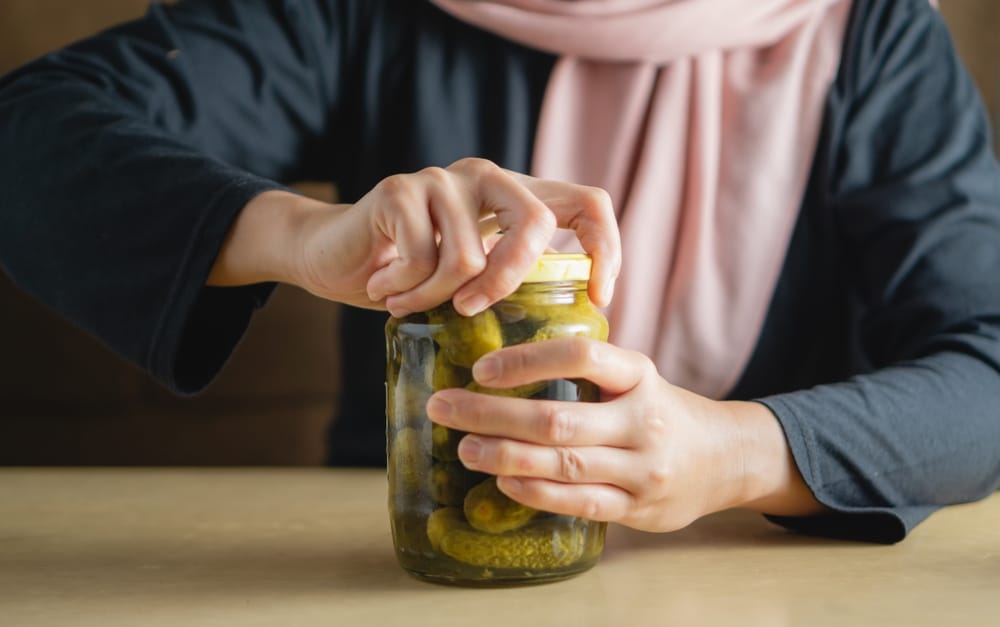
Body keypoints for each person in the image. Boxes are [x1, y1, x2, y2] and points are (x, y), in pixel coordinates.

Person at [1, 0, 998, 544]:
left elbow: (985, 370)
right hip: (405, 590)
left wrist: (733, 452)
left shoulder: (871, 28)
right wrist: (299, 235)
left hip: (769, 586)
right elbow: (25, 132)